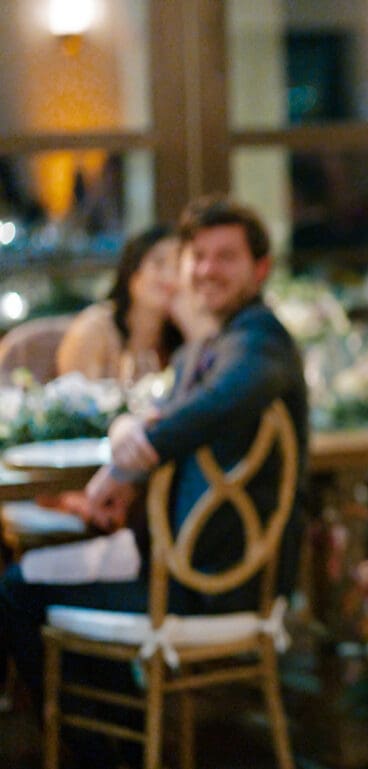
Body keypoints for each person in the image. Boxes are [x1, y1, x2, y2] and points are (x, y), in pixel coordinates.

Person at [0, 195, 308, 765]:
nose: (208, 269)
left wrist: (125, 463)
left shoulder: (259, 339)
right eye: (199, 257)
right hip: (175, 566)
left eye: (227, 257)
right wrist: (127, 450)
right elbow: (157, 412)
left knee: (17, 591)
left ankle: (100, 753)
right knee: (30, 576)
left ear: (260, 269)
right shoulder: (206, 346)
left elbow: (214, 405)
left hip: (212, 583)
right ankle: (120, 746)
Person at [56, 224, 183, 380]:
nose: (170, 277)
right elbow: (77, 399)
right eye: (159, 263)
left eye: (179, 266)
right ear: (132, 272)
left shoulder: (181, 334)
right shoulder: (94, 329)